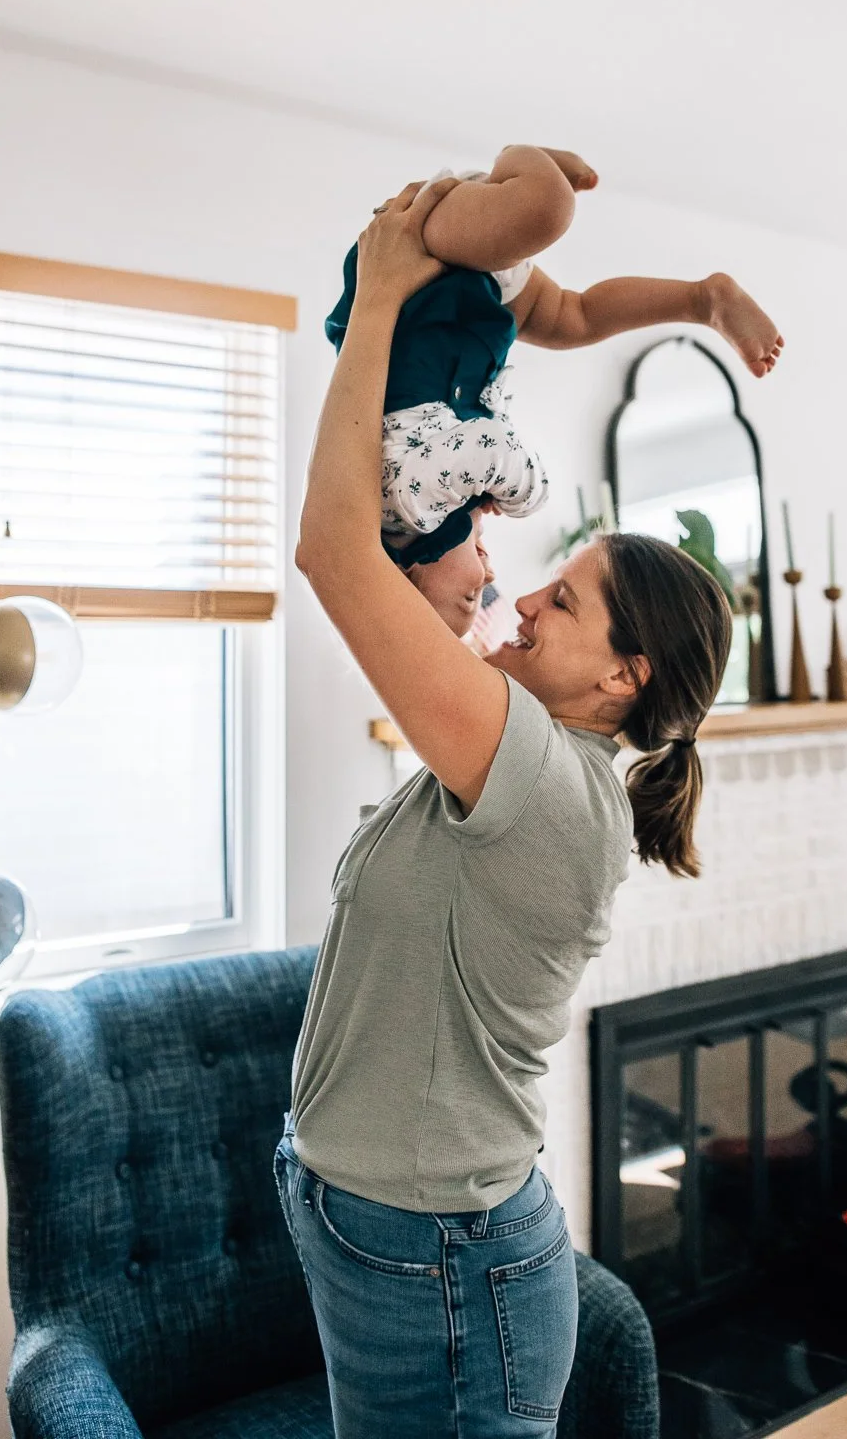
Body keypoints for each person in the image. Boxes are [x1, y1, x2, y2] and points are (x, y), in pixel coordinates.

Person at [275, 179, 735, 1438]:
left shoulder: (534, 773)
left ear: (622, 678)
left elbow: (331, 551)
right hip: (399, 1230)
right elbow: (401, 565)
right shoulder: (523, 746)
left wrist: (376, 305)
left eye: (566, 604)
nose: (526, 601)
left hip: (440, 1255)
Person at [325, 144, 782, 637]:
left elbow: (493, 450)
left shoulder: (407, 506)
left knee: (548, 210)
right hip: (468, 305)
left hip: (427, 263)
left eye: (471, 593)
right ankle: (701, 300)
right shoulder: (424, 500)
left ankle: (516, 162)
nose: (491, 575)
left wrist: (523, 496)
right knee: (574, 318)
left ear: (412, 572)